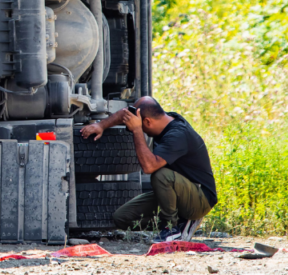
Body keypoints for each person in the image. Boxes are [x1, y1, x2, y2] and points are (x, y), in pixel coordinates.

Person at [80, 96, 217, 242]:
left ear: (147, 122)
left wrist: (137, 130)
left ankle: (171, 228)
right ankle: (181, 222)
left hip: (200, 198)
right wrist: (101, 125)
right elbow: (124, 114)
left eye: (142, 125)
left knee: (161, 174)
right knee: (121, 218)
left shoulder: (177, 135)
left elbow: (149, 167)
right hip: (177, 192)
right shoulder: (163, 119)